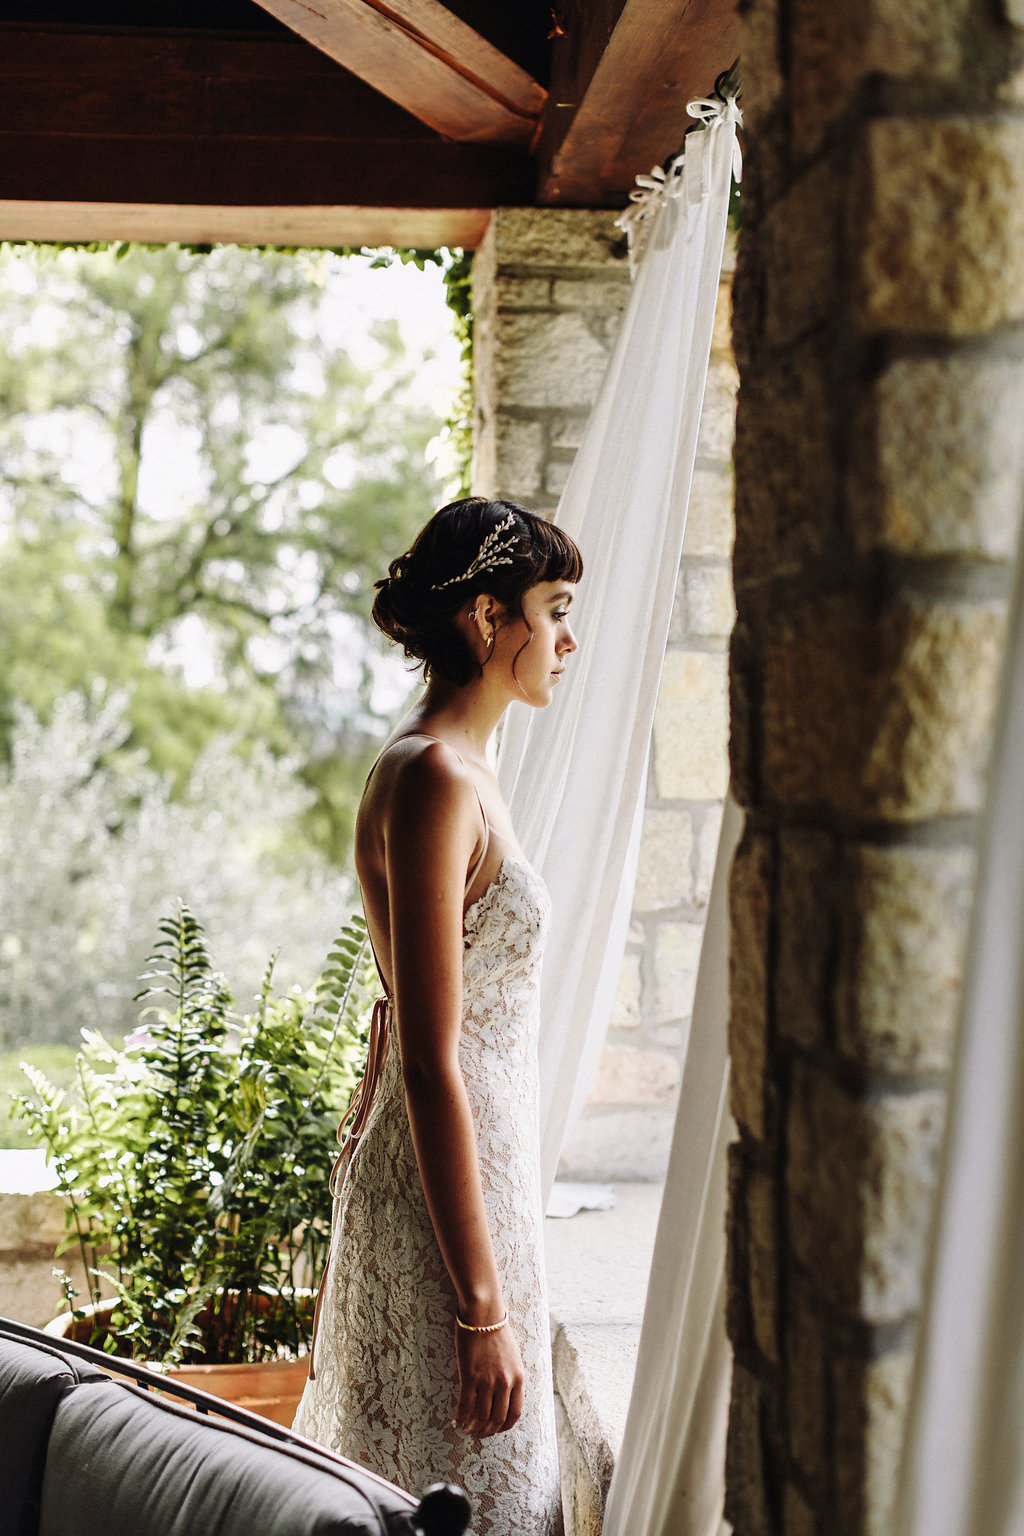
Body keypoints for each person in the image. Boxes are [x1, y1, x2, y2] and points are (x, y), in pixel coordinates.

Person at [292, 497, 583, 1536]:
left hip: (484, 1176)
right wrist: (482, 1309)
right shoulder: (428, 779)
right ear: (485, 616)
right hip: (437, 1198)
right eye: (552, 610)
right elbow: (429, 1061)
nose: (568, 638)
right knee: (457, 1486)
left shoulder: (471, 770)